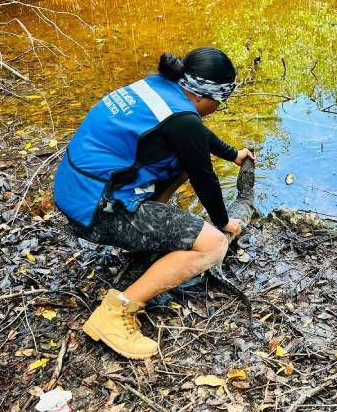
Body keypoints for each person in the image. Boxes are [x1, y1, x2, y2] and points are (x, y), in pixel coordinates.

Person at [53, 47, 255, 359]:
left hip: (78, 192)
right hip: (97, 211)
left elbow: (193, 133)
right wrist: (224, 223)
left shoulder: (159, 88)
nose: (219, 107)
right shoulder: (183, 119)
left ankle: (147, 233)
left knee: (183, 160)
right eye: (221, 101)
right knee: (214, 245)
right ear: (205, 96)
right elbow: (205, 177)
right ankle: (115, 314)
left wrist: (232, 154)